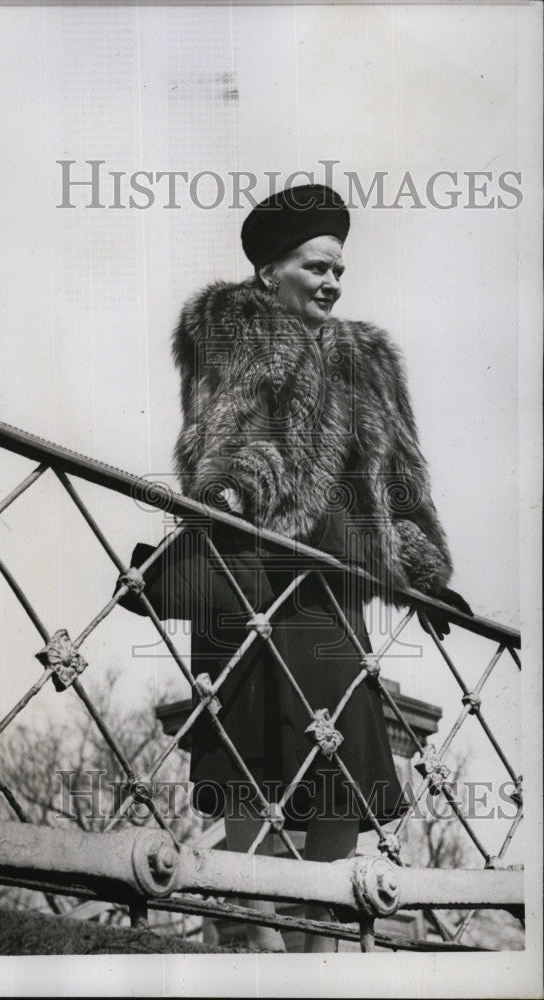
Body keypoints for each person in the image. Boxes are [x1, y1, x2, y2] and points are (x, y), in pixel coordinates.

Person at [120, 184, 471, 952]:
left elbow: (401, 483)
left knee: (339, 765)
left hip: (328, 594)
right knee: (254, 770)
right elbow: (237, 436)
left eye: (338, 271)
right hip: (252, 578)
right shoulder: (236, 328)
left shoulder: (365, 358)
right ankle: (244, 932)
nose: (331, 283)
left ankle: (319, 944)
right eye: (315, 266)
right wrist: (240, 487)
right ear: (266, 272)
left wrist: (421, 565)